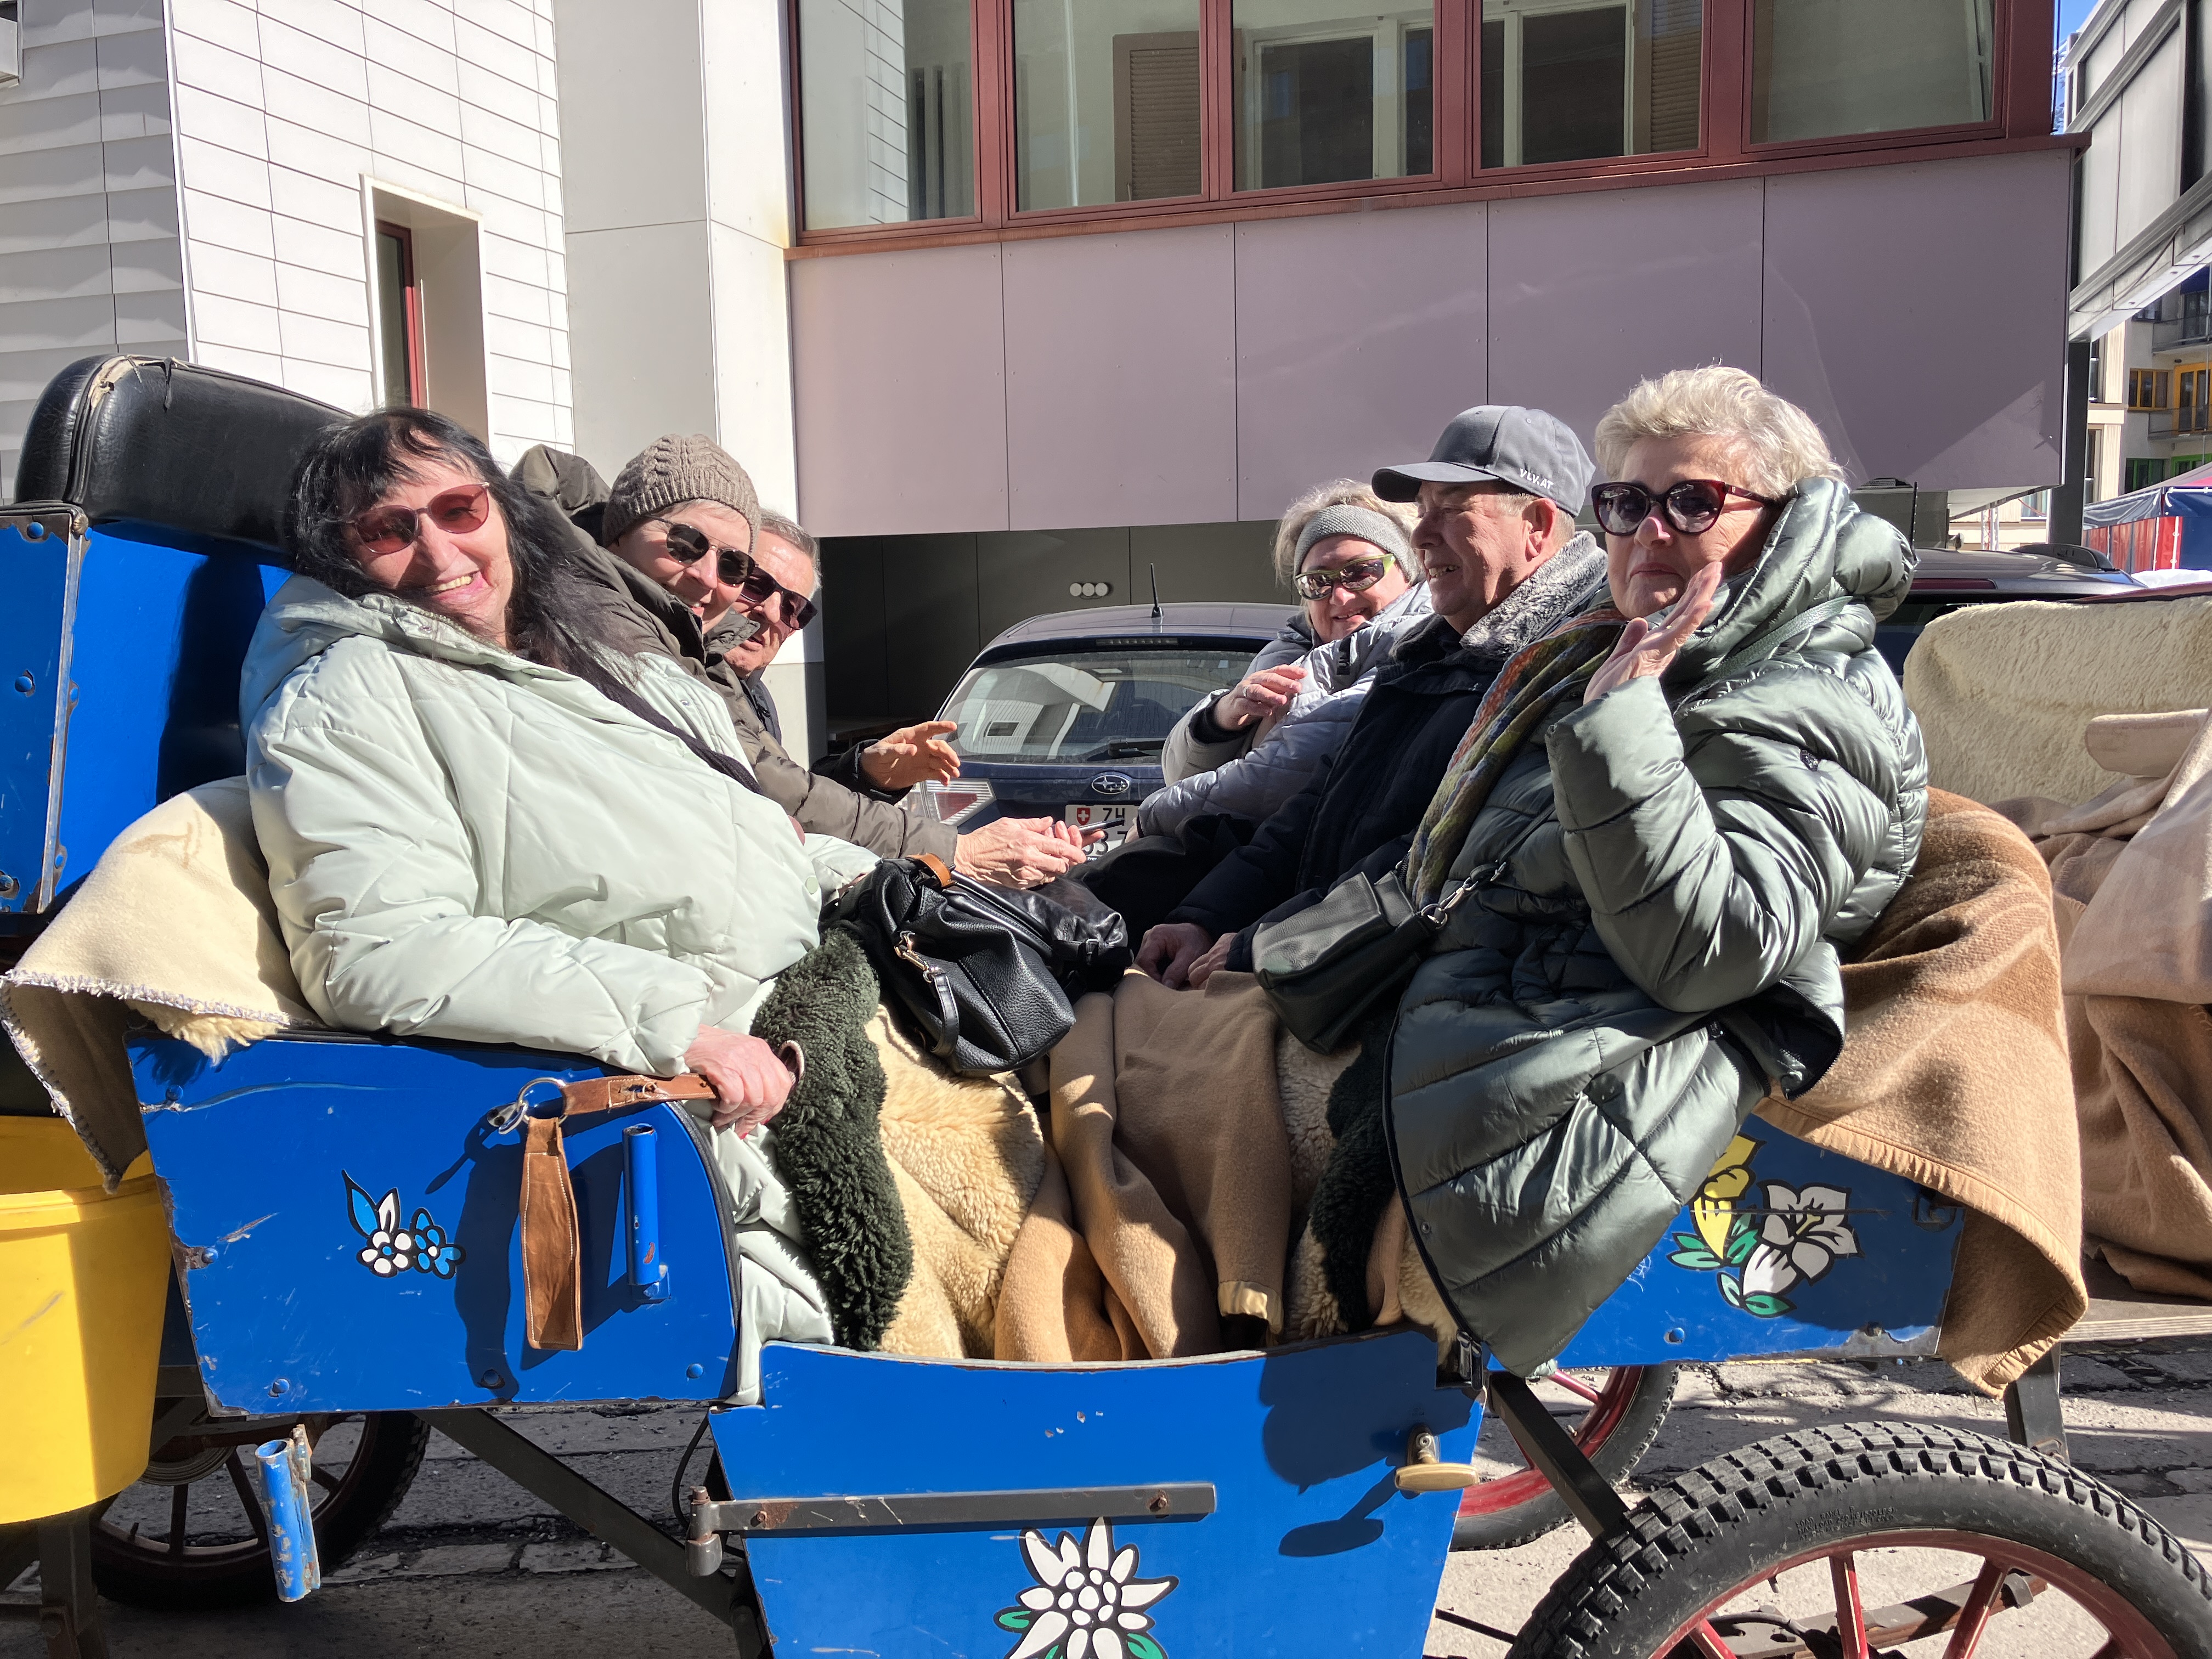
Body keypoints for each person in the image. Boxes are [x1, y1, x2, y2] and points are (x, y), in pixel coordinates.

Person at [246, 410, 871, 1367]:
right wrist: (679, 1025)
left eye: (459, 509)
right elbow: (378, 948)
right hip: (702, 1067)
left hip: (810, 986)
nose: (439, 550)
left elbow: (738, 829)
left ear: (501, 510)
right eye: (388, 528)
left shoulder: (574, 648)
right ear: (342, 553)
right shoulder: (347, 697)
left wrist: (872, 876)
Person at [1383, 365, 1928, 1373]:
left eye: (1693, 503)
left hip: (1573, 1058)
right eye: (1628, 504)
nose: (1649, 532)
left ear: (1782, 522)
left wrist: (1622, 709)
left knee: (1164, 1128)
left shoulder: (1810, 693)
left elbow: (1706, 952)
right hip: (1485, 1010)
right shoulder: (1631, 654)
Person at [1135, 404, 1609, 988]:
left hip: (1444, 991)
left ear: (1536, 524)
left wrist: (1265, 941)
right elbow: (1314, 809)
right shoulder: (1424, 655)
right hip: (1329, 968)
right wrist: (1204, 918)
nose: (1423, 535)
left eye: (1450, 510)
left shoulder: (1572, 665)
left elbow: (1436, 857)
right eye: (1423, 510)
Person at [517, 436, 1089, 887]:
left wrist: (867, 773)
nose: (770, 613)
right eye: (757, 585)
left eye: (794, 607)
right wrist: (955, 850)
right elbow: (768, 791)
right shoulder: (610, 634)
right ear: (619, 536)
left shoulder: (744, 688)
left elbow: (786, 794)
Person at [1139, 481, 1429, 839]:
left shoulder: (1418, 648)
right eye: (1317, 581)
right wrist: (1221, 720)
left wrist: (1151, 818)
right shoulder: (1289, 652)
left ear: (1408, 571)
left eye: (1360, 572)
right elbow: (1178, 774)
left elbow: (1283, 776)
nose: (1339, 596)